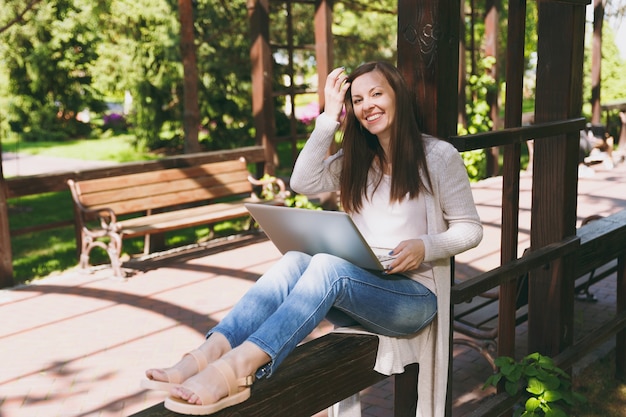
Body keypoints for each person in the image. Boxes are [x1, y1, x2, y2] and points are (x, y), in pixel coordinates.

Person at [142, 61, 483, 416]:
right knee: (295, 260)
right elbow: (302, 183)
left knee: (327, 267)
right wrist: (329, 117)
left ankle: (237, 370)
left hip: (413, 298)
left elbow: (470, 228)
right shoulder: (358, 159)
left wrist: (425, 246)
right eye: (358, 99)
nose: (368, 105)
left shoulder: (439, 157)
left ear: (397, 95)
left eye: (377, 93)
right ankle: (208, 354)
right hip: (364, 282)